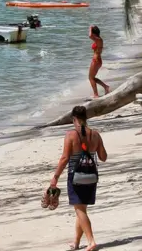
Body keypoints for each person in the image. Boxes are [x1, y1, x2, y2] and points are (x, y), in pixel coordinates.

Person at [51, 106, 107, 251]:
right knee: (81, 209)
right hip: (91, 176)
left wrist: (55, 178)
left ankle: (91, 241)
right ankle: (76, 242)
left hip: (76, 177)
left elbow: (64, 158)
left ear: (73, 118)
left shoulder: (71, 135)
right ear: (86, 118)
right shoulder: (95, 134)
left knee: (79, 210)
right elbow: (103, 157)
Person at [88, 25, 110, 98]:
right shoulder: (98, 39)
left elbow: (90, 36)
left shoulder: (98, 39)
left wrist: (90, 27)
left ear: (94, 33)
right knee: (92, 78)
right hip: (97, 60)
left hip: (96, 60)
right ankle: (106, 87)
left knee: (91, 78)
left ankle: (96, 94)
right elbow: (91, 36)